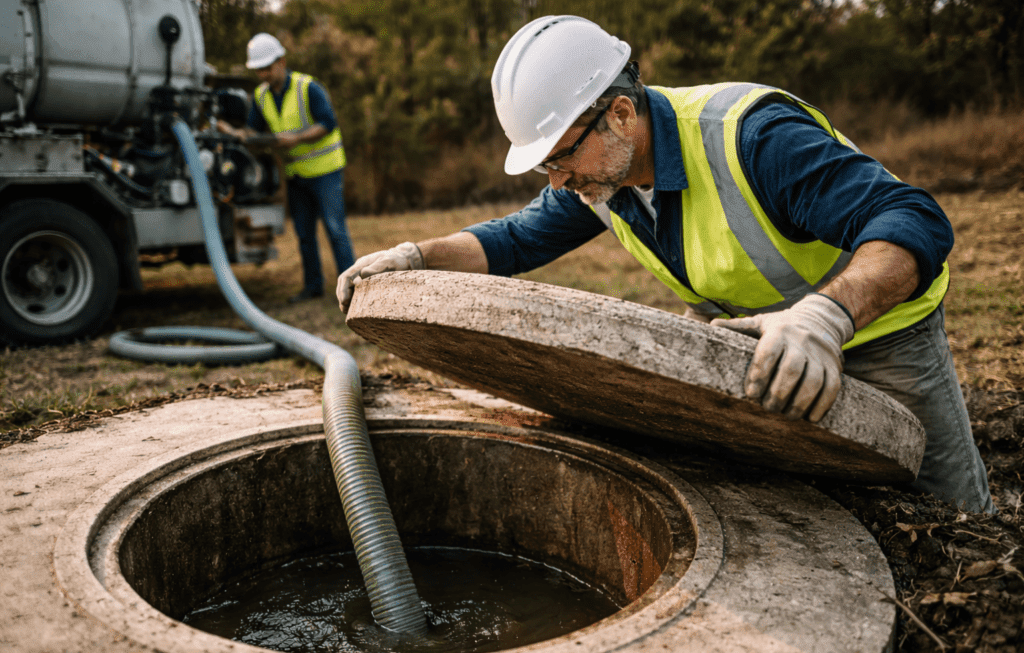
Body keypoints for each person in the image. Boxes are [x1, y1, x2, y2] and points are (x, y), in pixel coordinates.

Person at [337, 16, 996, 514]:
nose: (557, 179)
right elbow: (513, 239)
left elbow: (914, 219)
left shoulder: (752, 138)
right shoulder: (603, 180)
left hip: (880, 331)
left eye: (560, 157)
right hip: (759, 345)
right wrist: (418, 256)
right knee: (814, 503)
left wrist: (826, 317)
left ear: (620, 115)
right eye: (546, 166)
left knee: (948, 514)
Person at [218, 33, 355, 304]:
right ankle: (313, 287)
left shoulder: (308, 88)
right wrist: (233, 132)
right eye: (259, 70)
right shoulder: (260, 96)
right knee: (304, 235)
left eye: (267, 67)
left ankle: (353, 290)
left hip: (326, 172)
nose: (263, 74)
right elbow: (253, 130)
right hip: (296, 175)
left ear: (282, 61)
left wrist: (297, 138)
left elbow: (328, 123)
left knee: (335, 230)